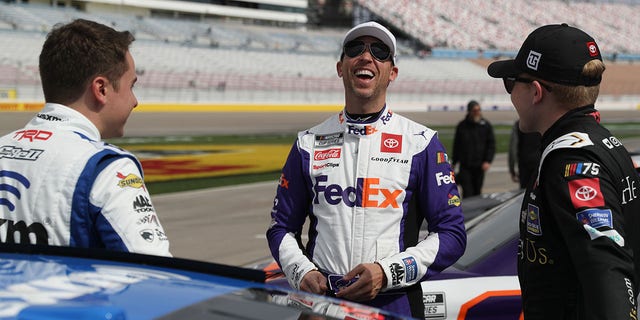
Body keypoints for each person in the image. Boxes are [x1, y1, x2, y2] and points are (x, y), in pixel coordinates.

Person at [266, 21, 466, 318]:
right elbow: (281, 227)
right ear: (340, 67)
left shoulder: (421, 142)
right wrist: (301, 271)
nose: (366, 56)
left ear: (392, 72)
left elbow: (452, 234)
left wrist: (387, 273)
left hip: (394, 303)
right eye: (355, 48)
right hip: (322, 306)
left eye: (380, 51)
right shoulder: (308, 143)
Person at [487, 23, 640, 319]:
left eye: (511, 83)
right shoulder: (604, 142)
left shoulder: (569, 161)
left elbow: (606, 267)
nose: (510, 94)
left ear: (535, 91)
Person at [0, 19, 171, 256]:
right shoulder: (108, 168)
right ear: (101, 89)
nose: (135, 101)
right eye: (131, 86)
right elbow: (152, 271)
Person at [451, 100, 496, 197]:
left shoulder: (485, 125)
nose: (477, 113)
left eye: (479, 110)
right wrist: (454, 163)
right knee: (467, 192)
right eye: (475, 110)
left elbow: (491, 145)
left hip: (479, 166)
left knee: (477, 192)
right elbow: (457, 145)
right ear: (469, 111)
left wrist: (487, 161)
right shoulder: (462, 126)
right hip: (465, 167)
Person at [508, 119, 542, 189]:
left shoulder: (519, 124)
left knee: (524, 193)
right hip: (541, 164)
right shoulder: (543, 122)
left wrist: (512, 169)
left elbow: (513, 149)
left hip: (525, 166)